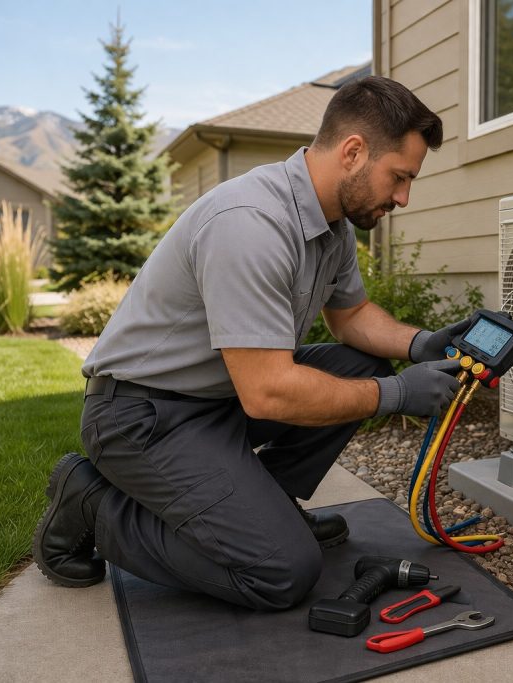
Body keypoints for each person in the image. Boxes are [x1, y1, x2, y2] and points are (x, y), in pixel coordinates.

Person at [32, 76, 471, 610]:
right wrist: (397, 394)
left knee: (360, 361)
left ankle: (267, 509)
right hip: (139, 416)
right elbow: (268, 393)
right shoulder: (251, 223)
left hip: (217, 400)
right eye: (399, 177)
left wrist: (420, 342)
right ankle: (92, 503)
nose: (403, 197)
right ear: (354, 152)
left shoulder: (332, 228)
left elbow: (351, 316)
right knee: (281, 573)